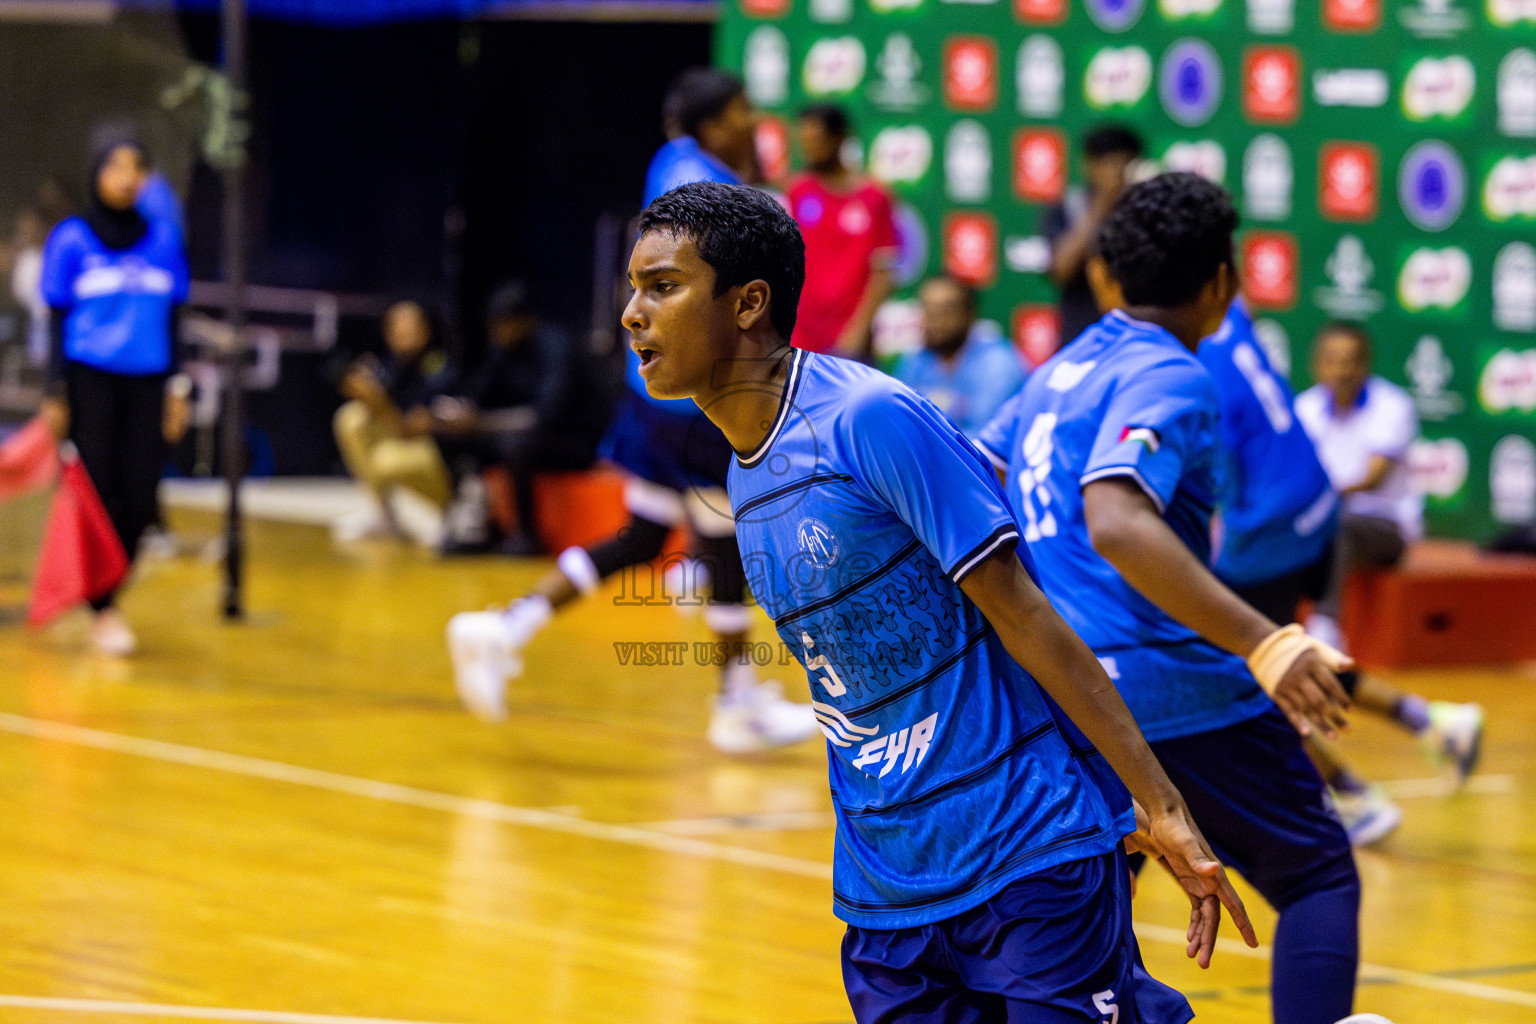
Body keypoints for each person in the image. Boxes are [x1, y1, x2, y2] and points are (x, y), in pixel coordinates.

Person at [623, 178, 1257, 1022]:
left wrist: (1158, 803)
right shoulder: (746, 474)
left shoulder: (868, 417)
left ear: (747, 303)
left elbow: (1025, 613)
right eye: (636, 289)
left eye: (663, 287)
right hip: (888, 898)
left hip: (1025, 859)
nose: (634, 312)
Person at [982, 173, 1361, 1024]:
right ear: (1222, 284)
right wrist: (1268, 641)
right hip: (1174, 693)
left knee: (1086, 916)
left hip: (1061, 688)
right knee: (1316, 875)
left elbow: (978, 472)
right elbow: (1116, 518)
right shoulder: (1176, 375)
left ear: (1110, 276)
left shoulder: (1056, 372)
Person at [446, 73, 817, 754]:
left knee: (644, 536)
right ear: (708, 122)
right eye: (739, 112)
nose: (750, 121)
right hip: (691, 391)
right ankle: (736, 704)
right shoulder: (701, 181)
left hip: (660, 389)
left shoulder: (676, 165)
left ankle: (508, 626)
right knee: (725, 533)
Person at [1294, 323, 1483, 784]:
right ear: (1316, 364)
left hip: (1383, 529)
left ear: (1366, 364)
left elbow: (1370, 479)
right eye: (1332, 359)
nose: (1341, 370)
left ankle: (1327, 624)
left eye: (1350, 360)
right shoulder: (1302, 409)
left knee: (1284, 658)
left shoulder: (1391, 405)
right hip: (1313, 531)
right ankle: (1429, 726)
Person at [37, 135, 191, 656]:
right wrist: (56, 393)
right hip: (91, 384)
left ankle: (107, 593)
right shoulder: (72, 239)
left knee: (141, 497)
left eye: (137, 166)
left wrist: (178, 387)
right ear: (97, 173)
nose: (127, 176)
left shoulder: (164, 240)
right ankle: (103, 608)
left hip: (148, 384)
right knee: (97, 494)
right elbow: (57, 319)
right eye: (115, 165)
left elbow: (177, 320)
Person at [432, 281, 601, 555]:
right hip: (521, 433)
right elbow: (479, 396)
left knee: (518, 446)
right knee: (453, 437)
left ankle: (527, 534)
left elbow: (546, 414)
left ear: (526, 321)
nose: (497, 332)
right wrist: (458, 414)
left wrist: (481, 422)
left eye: (503, 324)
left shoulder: (556, 348)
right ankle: (477, 526)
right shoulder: (502, 350)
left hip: (572, 441)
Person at [331, 299, 453, 543]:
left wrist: (378, 400)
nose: (403, 333)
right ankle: (383, 514)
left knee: (386, 460)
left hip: (444, 456)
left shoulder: (438, 367)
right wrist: (358, 387)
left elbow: (410, 429)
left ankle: (450, 516)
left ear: (426, 329)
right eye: (396, 327)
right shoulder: (393, 365)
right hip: (406, 441)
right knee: (350, 417)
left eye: (410, 326)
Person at [785, 105, 898, 358]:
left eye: (815, 140)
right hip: (800, 335)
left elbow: (884, 272)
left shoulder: (874, 197)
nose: (808, 149)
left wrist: (857, 331)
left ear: (839, 138)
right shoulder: (798, 190)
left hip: (849, 340)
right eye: (803, 141)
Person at [1044, 125, 1144, 348]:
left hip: (1135, 336)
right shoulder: (1068, 207)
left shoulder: (1146, 210)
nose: (1114, 174)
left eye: (1123, 164)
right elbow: (1061, 269)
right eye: (1107, 164)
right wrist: (1101, 205)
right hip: (1080, 336)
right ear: (1088, 165)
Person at [892, 274, 1025, 436]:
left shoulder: (999, 364)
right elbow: (898, 424)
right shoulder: (915, 361)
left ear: (970, 315)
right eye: (928, 310)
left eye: (946, 311)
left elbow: (985, 440)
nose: (935, 321)